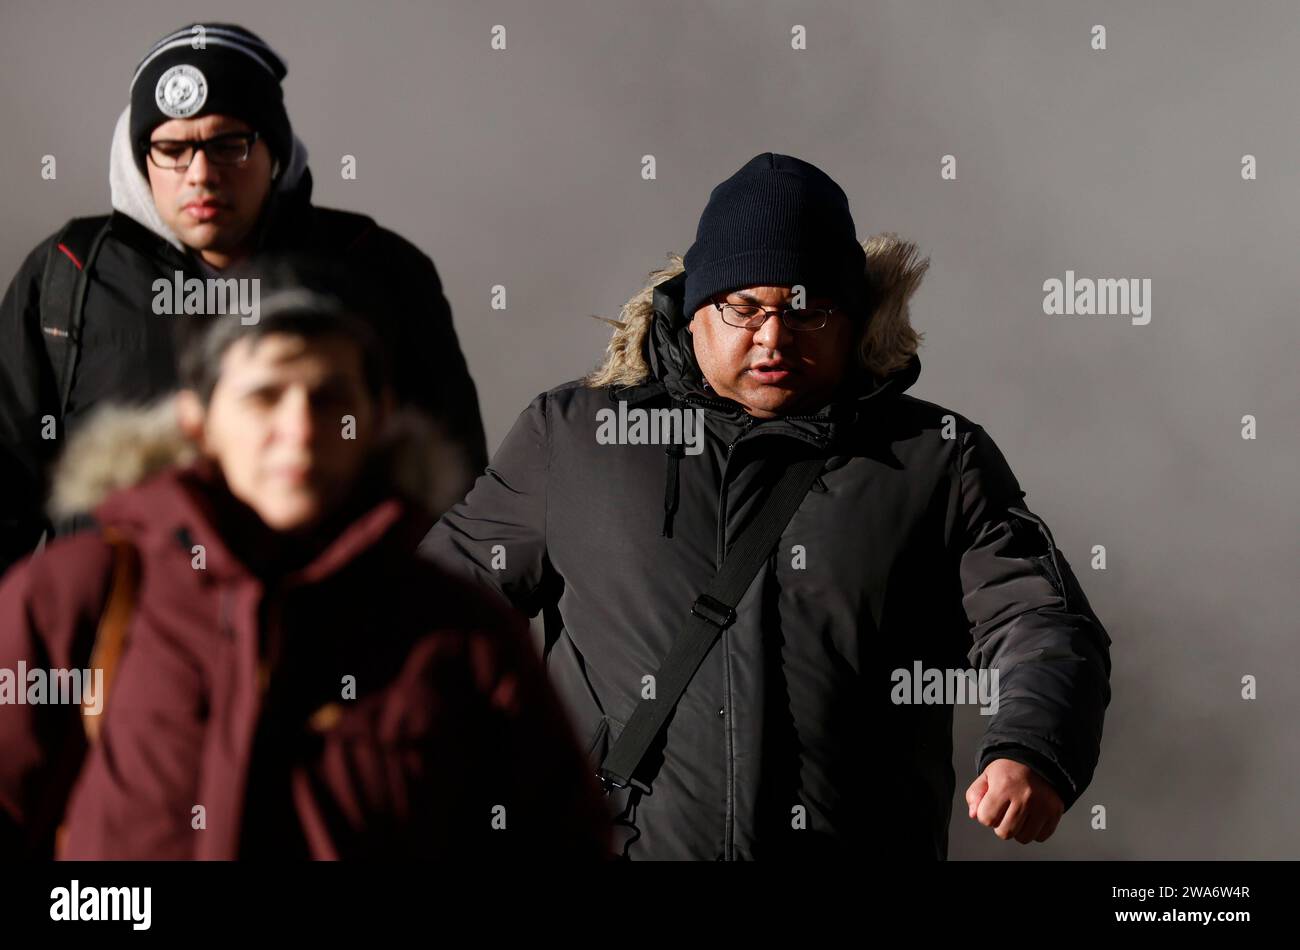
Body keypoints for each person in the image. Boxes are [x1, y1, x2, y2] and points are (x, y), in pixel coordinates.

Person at [421, 153, 1113, 860]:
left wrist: (1032, 743)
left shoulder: (936, 458)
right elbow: (426, 611)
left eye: (806, 309)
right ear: (694, 312)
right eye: (743, 308)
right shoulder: (574, 439)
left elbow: (1041, 618)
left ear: (855, 320)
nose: (773, 337)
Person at [0, 258, 608, 860]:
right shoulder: (76, 593)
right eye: (265, 396)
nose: (300, 428)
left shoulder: (460, 635)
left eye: (330, 397)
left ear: (377, 419)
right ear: (196, 420)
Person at [0, 22, 486, 579]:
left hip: (333, 641)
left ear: (275, 152)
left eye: (229, 144)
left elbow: (460, 504)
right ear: (141, 159)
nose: (201, 175)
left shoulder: (375, 268)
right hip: (123, 646)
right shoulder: (69, 272)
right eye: (172, 149)